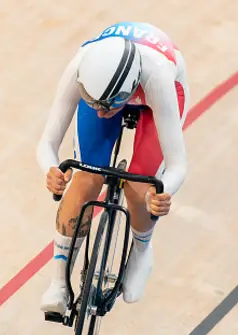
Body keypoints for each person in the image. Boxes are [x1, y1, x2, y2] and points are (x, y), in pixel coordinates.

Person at [36, 21, 190, 315]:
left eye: (108, 105)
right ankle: (57, 283)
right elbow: (47, 142)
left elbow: (177, 164)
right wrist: (52, 170)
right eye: (93, 102)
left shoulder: (157, 77)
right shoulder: (81, 65)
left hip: (154, 96)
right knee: (84, 180)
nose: (100, 111)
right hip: (113, 84)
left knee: (140, 188)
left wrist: (163, 192)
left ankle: (142, 250)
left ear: (130, 88)